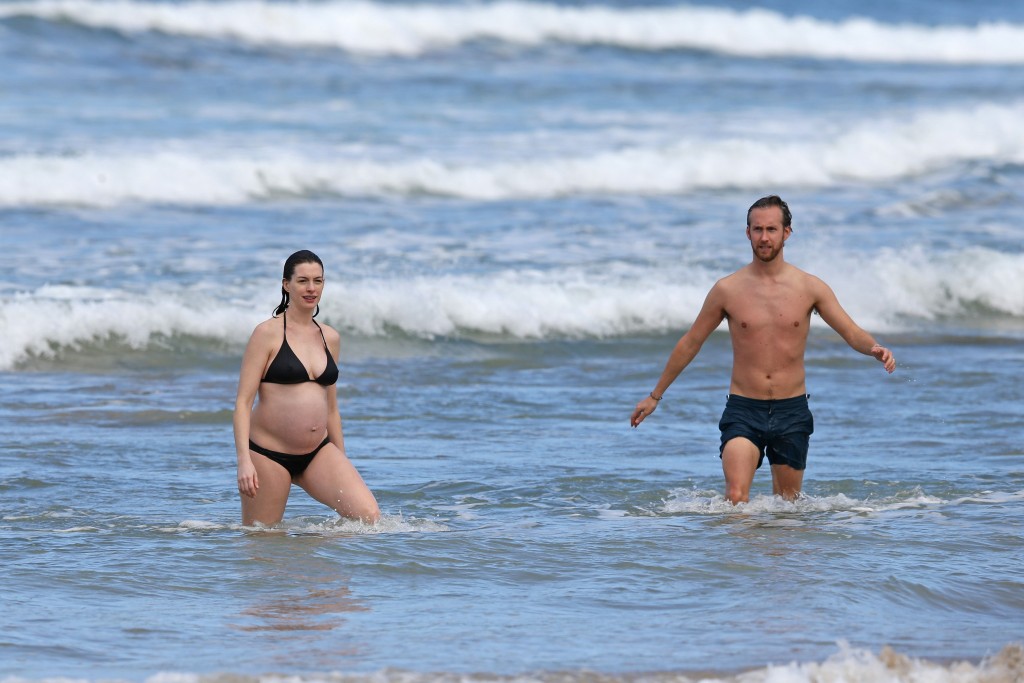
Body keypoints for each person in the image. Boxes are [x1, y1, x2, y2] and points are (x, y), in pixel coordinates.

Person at [630, 195, 895, 503]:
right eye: (757, 230)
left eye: (771, 229)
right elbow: (691, 342)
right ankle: (737, 552)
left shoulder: (810, 288)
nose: (764, 237)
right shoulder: (727, 290)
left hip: (792, 410)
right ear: (748, 233)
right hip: (744, 409)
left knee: (787, 507)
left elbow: (850, 331)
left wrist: (874, 348)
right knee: (735, 498)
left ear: (787, 233)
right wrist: (655, 396)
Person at [234, 250, 380, 526]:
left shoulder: (330, 337)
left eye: (318, 280)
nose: (311, 288)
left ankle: (306, 557)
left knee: (368, 519)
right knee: (264, 541)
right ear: (286, 285)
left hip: (318, 452)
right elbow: (243, 402)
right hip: (268, 455)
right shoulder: (266, 334)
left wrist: (341, 460)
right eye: (302, 281)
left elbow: (332, 408)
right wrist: (244, 460)